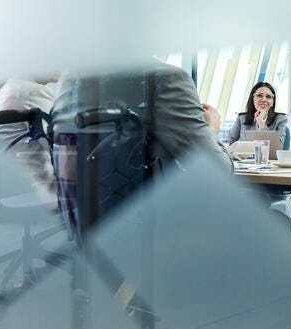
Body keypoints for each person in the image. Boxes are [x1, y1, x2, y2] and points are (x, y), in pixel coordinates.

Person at [51, 60, 233, 233]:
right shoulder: (164, 78)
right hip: (149, 239)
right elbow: (215, 170)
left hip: (80, 234)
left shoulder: (69, 81)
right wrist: (212, 128)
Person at [0, 77, 58, 198]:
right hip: (30, 190)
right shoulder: (33, 91)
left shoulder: (13, 86)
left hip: (2, 188)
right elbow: (61, 139)